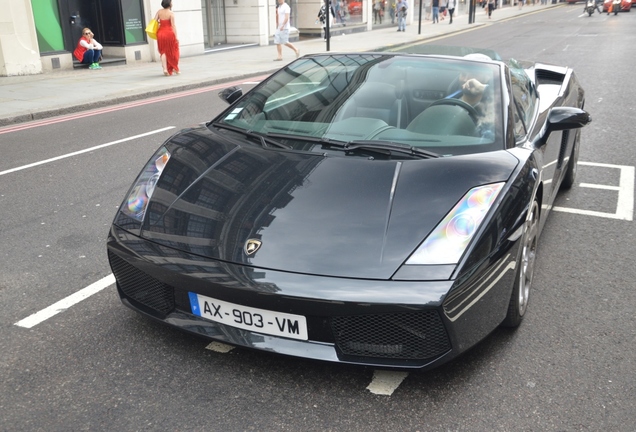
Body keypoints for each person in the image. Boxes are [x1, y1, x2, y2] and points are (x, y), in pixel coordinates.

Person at [155, 0, 180, 76]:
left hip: (160, 33)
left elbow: (154, 21)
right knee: (172, 51)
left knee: (163, 51)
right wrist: (176, 37)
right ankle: (175, 68)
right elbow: (173, 25)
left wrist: (160, 23)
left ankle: (165, 69)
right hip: (169, 33)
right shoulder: (171, 13)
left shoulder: (159, 11)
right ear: (169, 4)